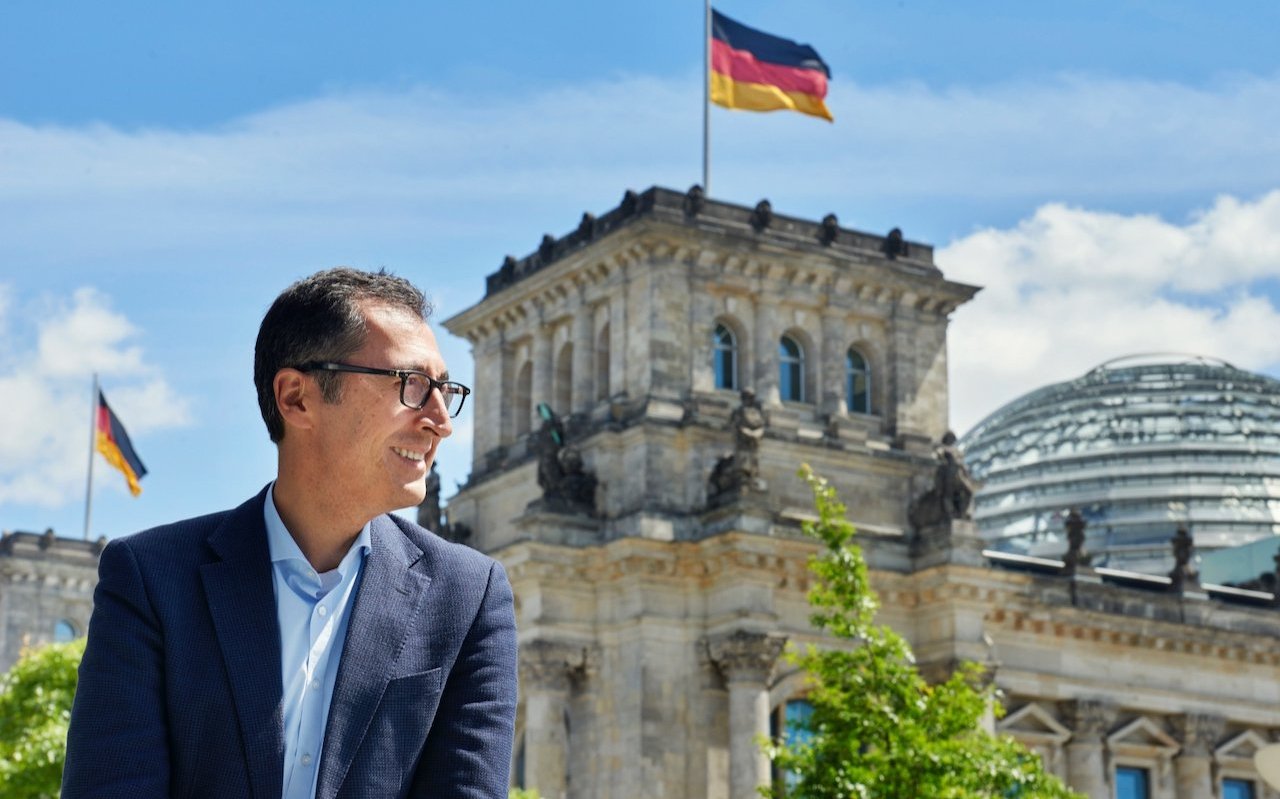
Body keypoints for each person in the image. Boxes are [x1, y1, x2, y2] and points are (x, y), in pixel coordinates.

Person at [63, 268, 518, 799]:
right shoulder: (151, 581)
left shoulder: (469, 597)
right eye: (412, 385)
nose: (441, 420)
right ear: (297, 397)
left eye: (445, 390)